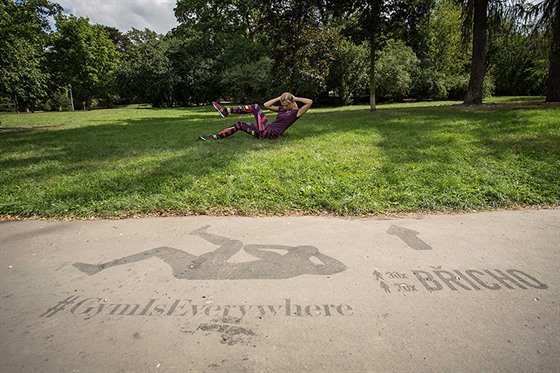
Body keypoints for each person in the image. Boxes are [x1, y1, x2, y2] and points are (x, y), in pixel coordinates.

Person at [198, 92, 313, 140]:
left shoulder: (296, 113)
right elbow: (267, 105)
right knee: (239, 125)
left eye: (287, 105)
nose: (285, 107)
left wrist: (294, 98)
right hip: (263, 133)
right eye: (283, 104)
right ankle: (214, 137)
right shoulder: (281, 109)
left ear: (291, 103)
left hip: (270, 133)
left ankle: (226, 110)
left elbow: (309, 102)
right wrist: (280, 97)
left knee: (255, 107)